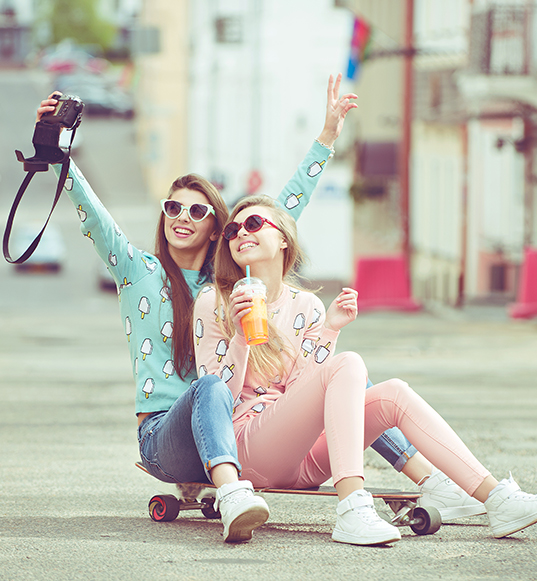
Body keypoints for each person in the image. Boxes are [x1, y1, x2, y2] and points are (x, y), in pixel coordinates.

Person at [32, 74, 358, 543]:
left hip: (238, 427)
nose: (182, 218)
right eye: (173, 208)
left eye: (197, 212)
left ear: (217, 230)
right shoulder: (137, 271)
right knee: (209, 386)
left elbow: (280, 212)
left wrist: (326, 137)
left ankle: (429, 477)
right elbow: (94, 214)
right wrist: (59, 148)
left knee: (345, 376)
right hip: (165, 437)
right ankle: (231, 497)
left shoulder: (225, 282)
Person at [193, 195, 537, 546]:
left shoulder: (306, 305)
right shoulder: (214, 300)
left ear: (284, 240)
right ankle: (353, 508)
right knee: (351, 364)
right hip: (248, 449)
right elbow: (214, 393)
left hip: (302, 456)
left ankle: (498, 500)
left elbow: (302, 387)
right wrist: (242, 339)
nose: (241, 232)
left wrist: (330, 329)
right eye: (232, 230)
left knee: (393, 392)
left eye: (254, 223)